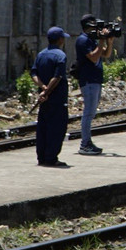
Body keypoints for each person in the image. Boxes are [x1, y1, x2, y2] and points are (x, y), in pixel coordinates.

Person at [75, 13, 114, 155]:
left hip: (95, 80)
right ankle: (85, 144)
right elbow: (93, 58)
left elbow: (106, 54)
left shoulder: (91, 40)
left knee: (91, 112)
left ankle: (87, 142)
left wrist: (109, 42)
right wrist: (102, 41)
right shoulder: (82, 40)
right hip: (88, 80)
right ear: (88, 26)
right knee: (88, 113)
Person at [32, 27, 71, 167]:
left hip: (44, 100)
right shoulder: (60, 56)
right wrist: (47, 91)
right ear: (60, 39)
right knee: (56, 128)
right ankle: (51, 158)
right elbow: (58, 77)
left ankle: (41, 157)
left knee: (43, 128)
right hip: (57, 99)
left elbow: (34, 74)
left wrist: (42, 88)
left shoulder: (41, 54)